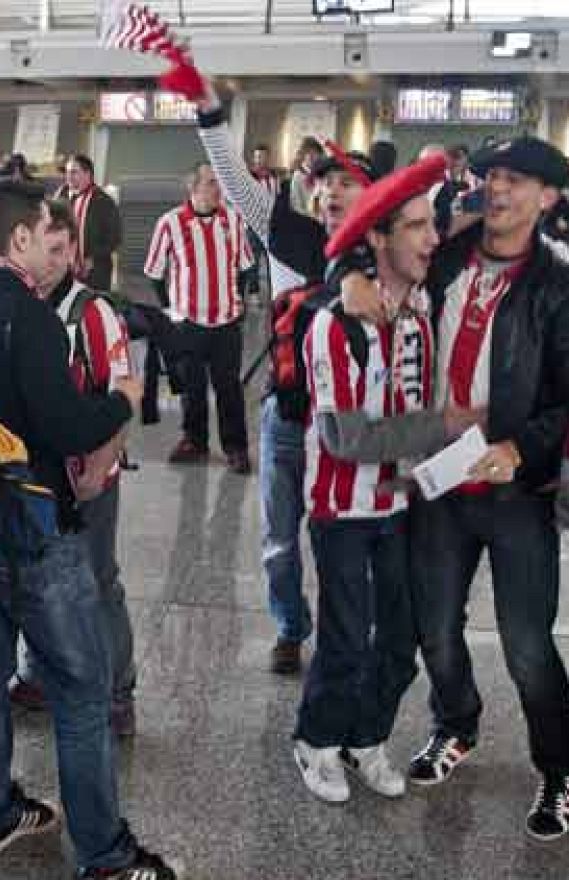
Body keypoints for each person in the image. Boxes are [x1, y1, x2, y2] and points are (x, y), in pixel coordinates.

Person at [0, 176, 181, 880]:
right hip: (33, 530)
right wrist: (120, 400)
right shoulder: (24, 317)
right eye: (42, 233)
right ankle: (105, 857)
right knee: (83, 692)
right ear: (21, 238)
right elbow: (65, 425)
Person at [348, 136, 569, 841]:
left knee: (525, 641)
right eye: (492, 177)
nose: (497, 189)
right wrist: (351, 279)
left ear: (548, 198)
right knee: (435, 625)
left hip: (515, 487)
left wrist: (521, 447)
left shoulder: (564, 290)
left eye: (516, 181)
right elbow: (367, 245)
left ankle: (558, 766)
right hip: (439, 477)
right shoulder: (447, 257)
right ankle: (456, 722)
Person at [191, 77, 374, 673]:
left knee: (345, 545)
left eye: (345, 183)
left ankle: (348, 638)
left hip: (356, 426)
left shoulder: (385, 253)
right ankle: (291, 626)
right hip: (288, 415)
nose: (330, 192)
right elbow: (237, 183)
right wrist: (210, 115)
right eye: (322, 183)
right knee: (277, 543)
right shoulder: (291, 235)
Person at [289, 155, 454, 805]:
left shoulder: (420, 312)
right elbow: (347, 438)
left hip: (400, 507)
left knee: (401, 640)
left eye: (431, 224)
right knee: (345, 638)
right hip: (342, 510)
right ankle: (316, 738)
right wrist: (449, 424)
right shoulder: (337, 322)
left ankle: (365, 735)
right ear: (379, 239)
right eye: (416, 226)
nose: (432, 238)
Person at [9, 202, 139, 734]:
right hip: (31, 475)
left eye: (63, 249)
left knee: (97, 579)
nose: (53, 260)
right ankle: (38, 672)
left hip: (87, 476)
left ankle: (118, 690)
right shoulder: (15, 304)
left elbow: (123, 393)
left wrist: (98, 467)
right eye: (47, 247)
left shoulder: (93, 311)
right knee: (37, 579)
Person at [145, 161, 257, 473]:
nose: (217, 188)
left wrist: (240, 301)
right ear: (193, 187)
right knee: (191, 386)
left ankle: (235, 447)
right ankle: (194, 440)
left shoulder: (233, 220)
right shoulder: (170, 223)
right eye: (210, 182)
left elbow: (247, 266)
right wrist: (172, 311)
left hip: (226, 322)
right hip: (188, 322)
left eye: (218, 182)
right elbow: (154, 274)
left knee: (229, 387)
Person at [54, 155, 123, 292]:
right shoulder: (62, 196)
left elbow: (115, 238)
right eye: (67, 172)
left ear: (87, 174)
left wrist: (93, 259)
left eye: (74, 172)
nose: (68, 177)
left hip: (95, 273)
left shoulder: (103, 201)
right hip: (64, 270)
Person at [289, 136, 325, 221]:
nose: (311, 157)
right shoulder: (298, 175)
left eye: (314, 153)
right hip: (306, 222)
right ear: (303, 155)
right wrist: (311, 219)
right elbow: (296, 206)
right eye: (308, 153)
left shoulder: (323, 174)